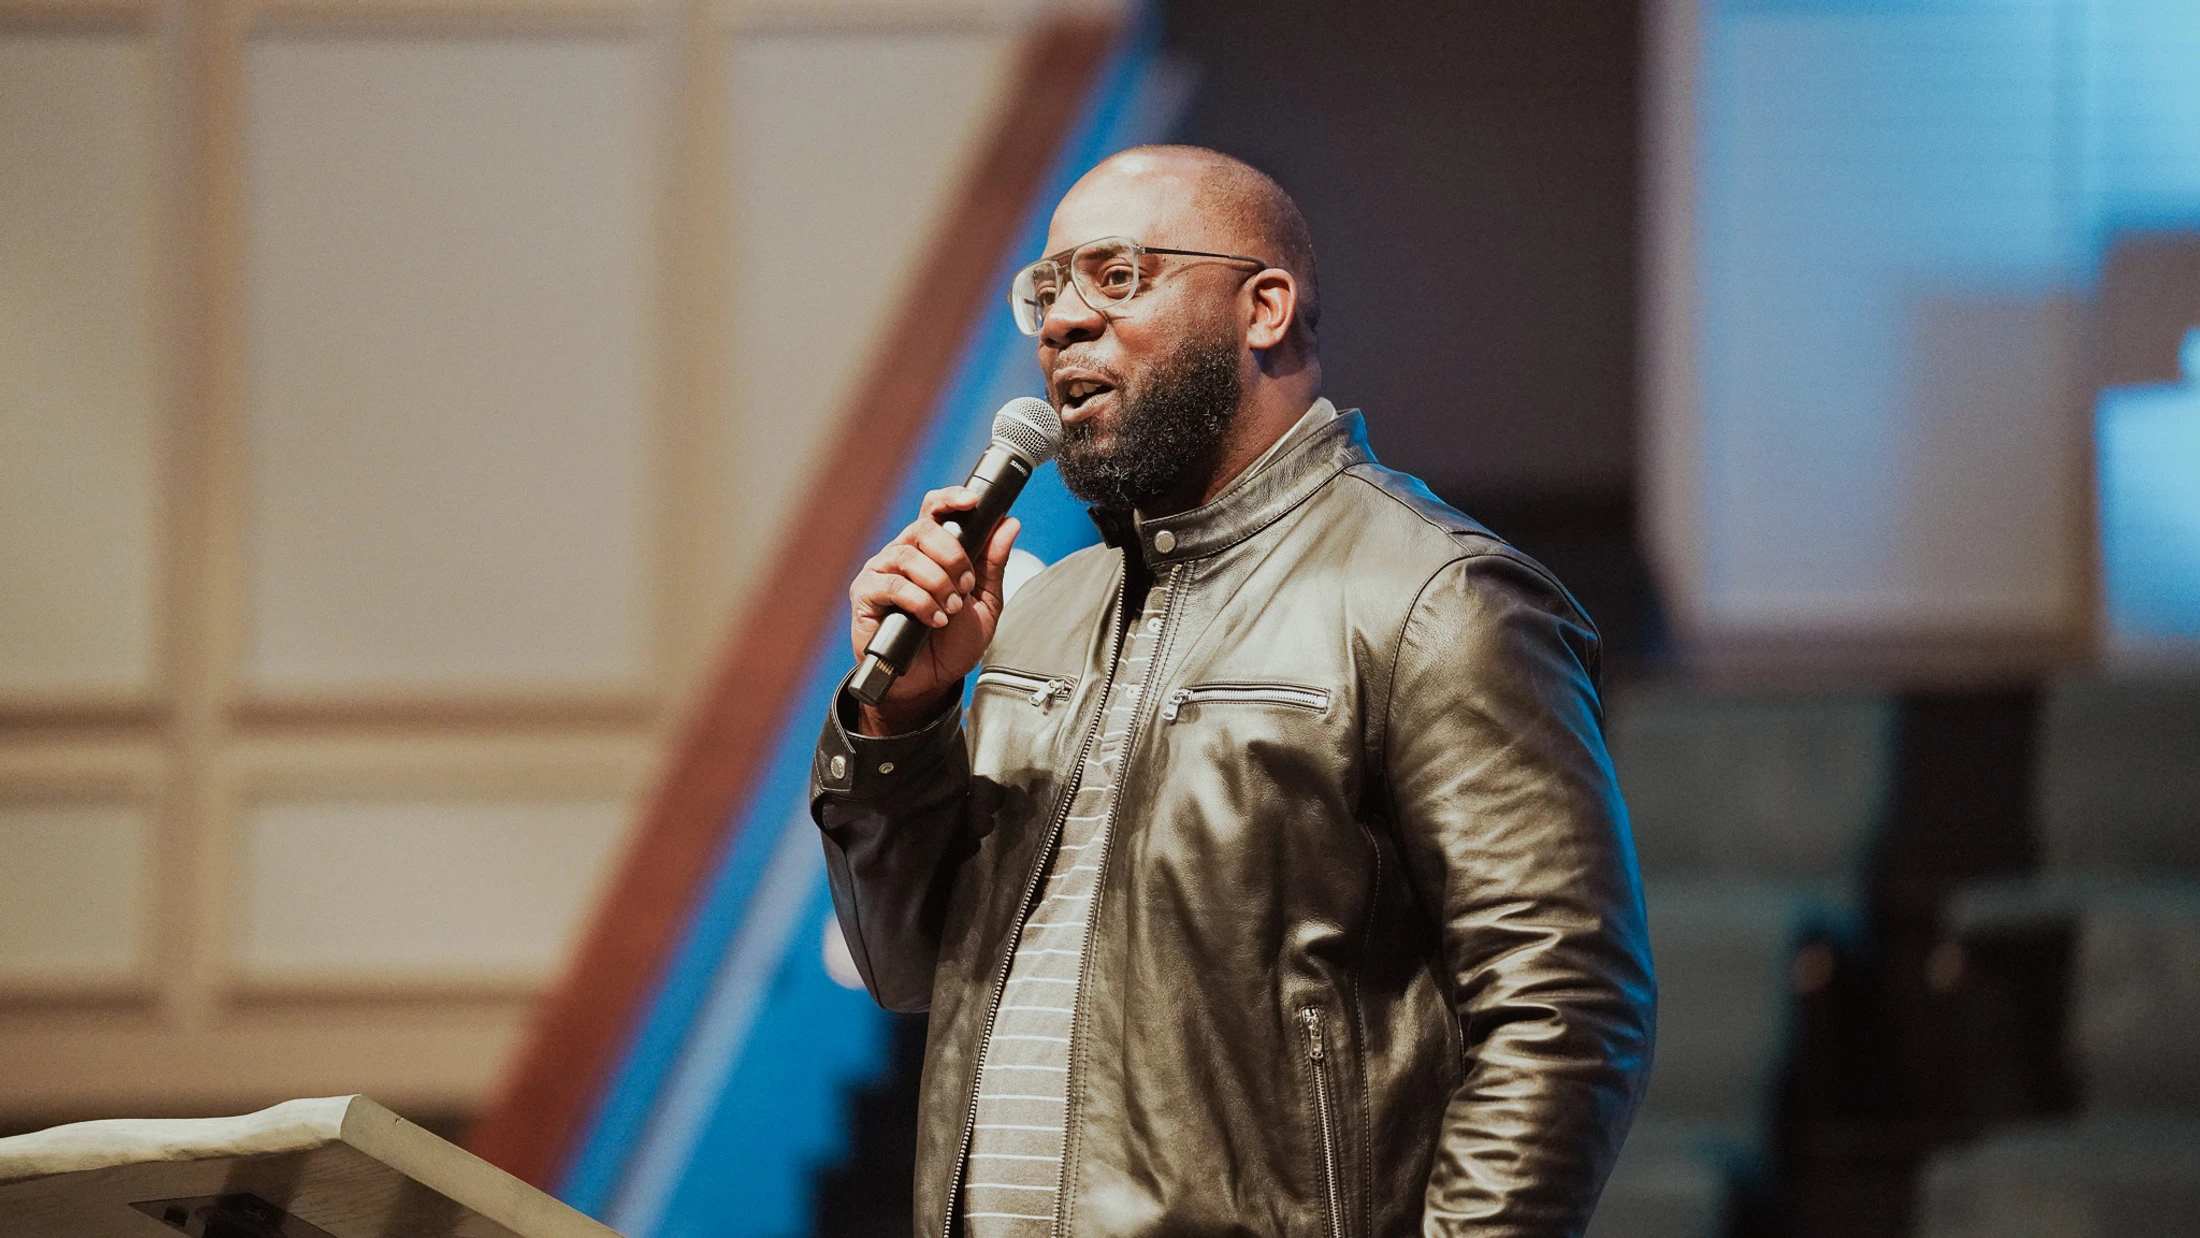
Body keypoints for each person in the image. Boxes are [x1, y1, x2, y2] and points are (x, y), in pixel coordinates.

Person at [810, 145, 1654, 1237]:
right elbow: (905, 965)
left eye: (1115, 275)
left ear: (1262, 308)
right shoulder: (1042, 617)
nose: (1062, 319)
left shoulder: (1435, 600)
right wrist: (901, 720)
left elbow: (1565, 1012)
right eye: (1048, 287)